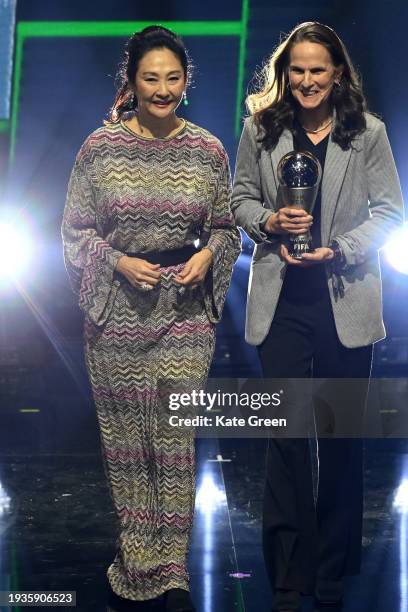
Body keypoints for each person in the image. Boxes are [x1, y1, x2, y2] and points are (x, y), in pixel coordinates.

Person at [62, 25, 240, 612]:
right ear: (131, 83)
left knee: (173, 441)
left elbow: (225, 226)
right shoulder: (99, 148)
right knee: (126, 444)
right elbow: (74, 232)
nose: (162, 89)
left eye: (172, 78)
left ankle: (171, 570)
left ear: (185, 82)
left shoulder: (209, 150)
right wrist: (116, 262)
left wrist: (208, 256)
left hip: (184, 314)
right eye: (150, 78)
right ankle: (136, 561)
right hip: (116, 317)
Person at [231, 21, 403, 612]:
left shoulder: (368, 134)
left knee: (339, 441)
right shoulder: (260, 130)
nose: (306, 81)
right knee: (283, 438)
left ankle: (332, 574)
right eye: (297, 70)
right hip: (281, 304)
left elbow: (389, 212)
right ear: (285, 73)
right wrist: (268, 223)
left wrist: (346, 248)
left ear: (337, 74)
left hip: (344, 300)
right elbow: (239, 201)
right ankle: (290, 575)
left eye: (318, 70)